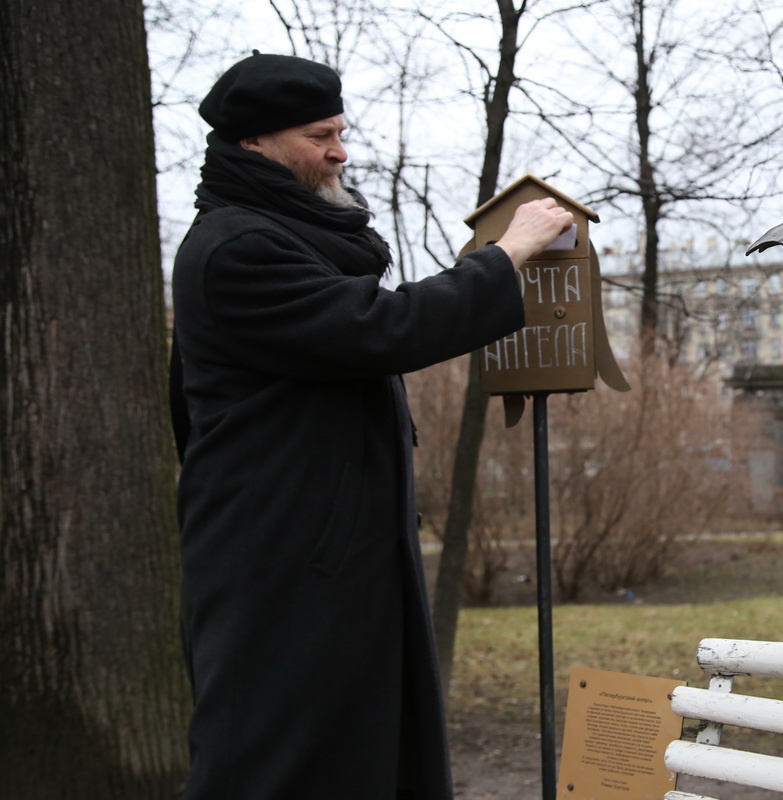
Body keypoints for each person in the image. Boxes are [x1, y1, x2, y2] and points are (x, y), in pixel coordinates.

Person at [170, 52, 573, 799]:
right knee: (274, 760)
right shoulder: (238, 249)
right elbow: (381, 329)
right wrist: (507, 255)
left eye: (340, 130)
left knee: (352, 756)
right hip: (281, 567)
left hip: (318, 553)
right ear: (254, 142)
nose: (339, 151)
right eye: (319, 134)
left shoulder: (273, 238)